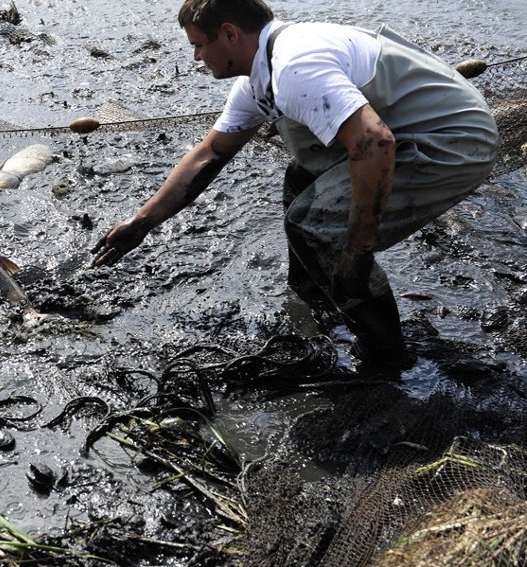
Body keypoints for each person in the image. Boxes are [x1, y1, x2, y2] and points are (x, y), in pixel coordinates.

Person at [91, 0, 499, 370]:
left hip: (452, 142)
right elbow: (208, 156)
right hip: (416, 126)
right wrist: (140, 224)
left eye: (199, 45)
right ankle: (319, 299)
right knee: (302, 175)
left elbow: (374, 142)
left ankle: (388, 357)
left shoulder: (295, 67)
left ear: (230, 34)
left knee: (317, 227)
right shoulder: (262, 73)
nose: (196, 57)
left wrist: (356, 251)